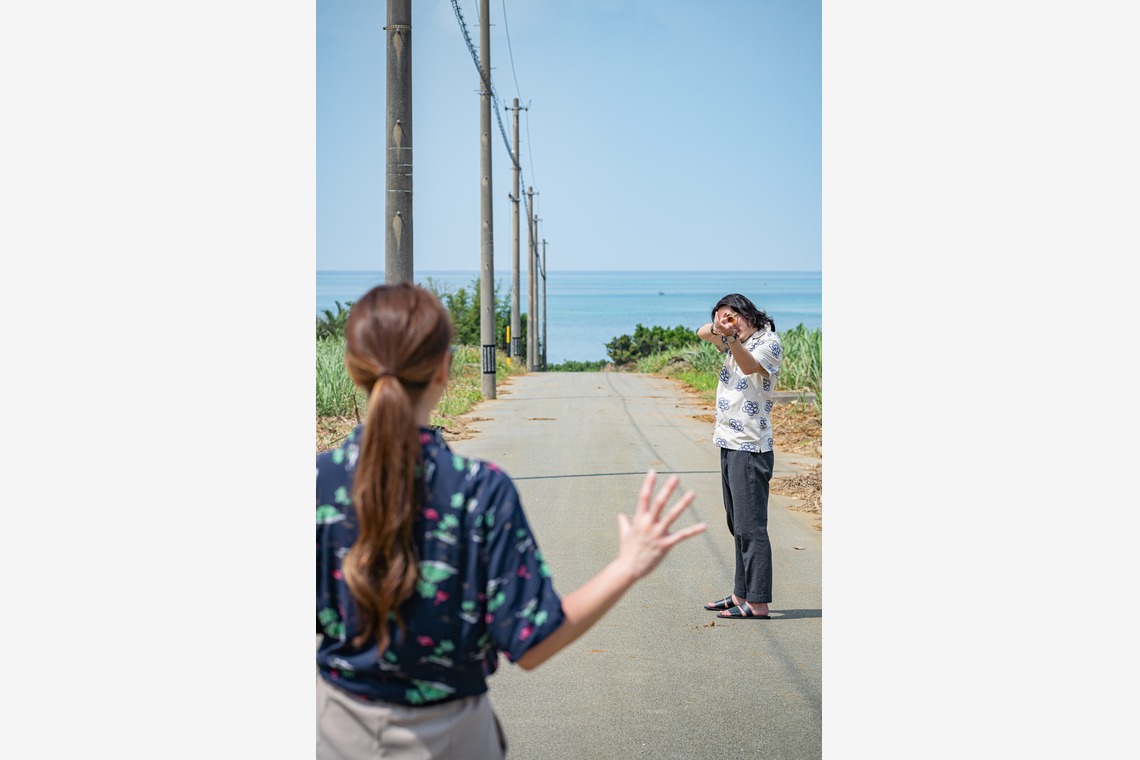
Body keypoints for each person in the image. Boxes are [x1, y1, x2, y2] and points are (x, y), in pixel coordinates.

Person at [316, 282, 706, 759]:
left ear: (355, 370)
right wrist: (627, 564)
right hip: (453, 739)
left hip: (332, 732)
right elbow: (533, 642)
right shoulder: (480, 490)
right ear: (444, 369)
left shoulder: (317, 481)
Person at [694, 293, 783, 621]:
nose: (725, 323)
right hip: (729, 443)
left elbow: (748, 367)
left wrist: (730, 335)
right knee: (737, 523)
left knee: (751, 526)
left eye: (732, 316)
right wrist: (723, 327)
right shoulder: (733, 338)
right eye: (721, 316)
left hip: (751, 446)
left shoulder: (767, 341)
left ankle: (758, 602)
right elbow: (702, 332)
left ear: (750, 315)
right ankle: (741, 593)